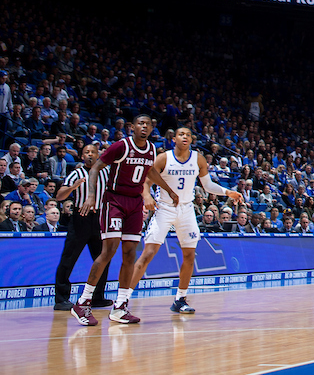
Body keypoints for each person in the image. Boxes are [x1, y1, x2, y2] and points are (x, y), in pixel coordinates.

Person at [71, 114, 178, 327]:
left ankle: (120, 306)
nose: (145, 127)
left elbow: (151, 171)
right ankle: (83, 302)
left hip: (135, 204)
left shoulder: (150, 149)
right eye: (141, 123)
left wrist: (169, 190)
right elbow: (95, 168)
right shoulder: (120, 146)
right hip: (115, 201)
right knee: (109, 251)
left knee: (130, 254)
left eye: (148, 124)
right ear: (132, 127)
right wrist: (92, 195)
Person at [124, 126, 244, 315]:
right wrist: (146, 196)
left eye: (188, 135)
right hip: (164, 208)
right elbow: (146, 181)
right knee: (148, 254)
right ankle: (123, 300)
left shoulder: (198, 159)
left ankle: (180, 299)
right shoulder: (164, 158)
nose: (185, 137)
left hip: (186, 210)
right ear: (174, 139)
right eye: (181, 134)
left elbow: (207, 185)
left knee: (189, 256)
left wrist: (227, 192)